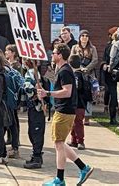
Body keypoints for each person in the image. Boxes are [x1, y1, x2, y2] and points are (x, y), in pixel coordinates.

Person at [38, 43, 93, 186]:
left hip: (64, 111)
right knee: (60, 143)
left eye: (54, 53)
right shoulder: (62, 69)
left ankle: (60, 179)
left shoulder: (65, 71)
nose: (52, 55)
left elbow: (67, 91)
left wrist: (48, 93)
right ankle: (83, 168)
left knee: (58, 144)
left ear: (60, 55)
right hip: (63, 111)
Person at [22, 59, 50, 169]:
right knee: (32, 132)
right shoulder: (31, 72)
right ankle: (35, 154)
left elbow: (29, 88)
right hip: (33, 107)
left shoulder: (32, 73)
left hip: (36, 107)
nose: (23, 61)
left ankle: (37, 157)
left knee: (36, 132)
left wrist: (29, 91)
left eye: (25, 60)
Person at [71, 30, 98, 125]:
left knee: (89, 96)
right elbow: (71, 59)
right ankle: (77, 115)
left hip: (89, 75)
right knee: (77, 94)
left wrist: (87, 68)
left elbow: (95, 60)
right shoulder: (75, 47)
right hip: (77, 74)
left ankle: (87, 117)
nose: (84, 37)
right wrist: (79, 68)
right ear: (79, 37)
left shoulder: (92, 48)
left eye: (86, 35)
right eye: (82, 35)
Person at [68, 54, 90, 150]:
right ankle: (74, 140)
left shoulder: (75, 75)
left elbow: (76, 87)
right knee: (75, 122)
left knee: (77, 122)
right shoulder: (83, 74)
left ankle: (80, 141)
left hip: (77, 102)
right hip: (82, 102)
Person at [100, 26, 119, 124]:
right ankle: (112, 117)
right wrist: (104, 64)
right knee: (113, 95)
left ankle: (118, 116)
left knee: (117, 96)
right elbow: (104, 58)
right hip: (110, 74)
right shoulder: (109, 46)